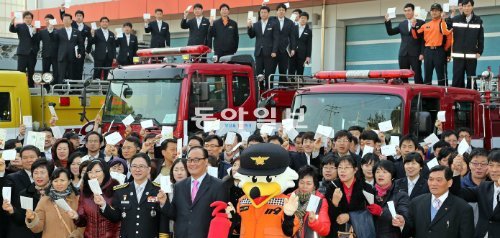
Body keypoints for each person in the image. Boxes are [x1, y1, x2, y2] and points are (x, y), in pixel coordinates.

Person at [97, 153, 169, 237]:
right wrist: (103, 205)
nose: (137, 170)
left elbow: (164, 220)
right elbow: (116, 216)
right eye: (134, 166)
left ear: (149, 169)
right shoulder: (121, 190)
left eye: (141, 166)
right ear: (130, 169)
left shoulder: (159, 190)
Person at [394, 165, 474, 238]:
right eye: (431, 179)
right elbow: (410, 231)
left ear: (449, 183)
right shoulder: (417, 202)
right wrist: (403, 224)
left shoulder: (463, 208)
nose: (433, 183)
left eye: (439, 180)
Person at [165, 146, 227, 238]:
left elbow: (222, 218)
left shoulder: (218, 186)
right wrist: (164, 203)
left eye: (196, 160)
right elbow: (174, 214)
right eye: (189, 160)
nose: (192, 163)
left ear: (206, 161)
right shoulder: (179, 186)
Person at [324, 155, 378, 237]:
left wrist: (350, 216)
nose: (342, 171)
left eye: (346, 168)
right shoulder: (332, 187)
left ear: (355, 170)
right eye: (340, 168)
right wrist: (334, 203)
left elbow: (371, 213)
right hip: (337, 232)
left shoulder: (366, 188)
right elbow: (327, 215)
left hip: (360, 232)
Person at [451, 150, 500, 237]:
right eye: (491, 165)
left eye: (499, 166)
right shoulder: (484, 187)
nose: (494, 170)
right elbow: (458, 193)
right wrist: (456, 172)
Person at [2, 159, 52, 238]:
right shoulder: (25, 193)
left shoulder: (57, 192)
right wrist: (12, 210)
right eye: (35, 173)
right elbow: (21, 220)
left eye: (42, 172)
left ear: (50, 174)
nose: (39, 176)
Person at [25, 168, 82, 237]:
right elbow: (37, 229)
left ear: (69, 181)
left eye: (62, 180)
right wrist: (32, 218)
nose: (59, 184)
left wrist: (76, 234)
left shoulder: (77, 199)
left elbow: (83, 223)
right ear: (51, 182)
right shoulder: (44, 200)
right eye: (55, 181)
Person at [72, 160, 120, 237]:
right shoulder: (85, 192)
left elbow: (119, 218)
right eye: (90, 172)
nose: (93, 175)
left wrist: (104, 205)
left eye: (97, 171)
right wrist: (76, 217)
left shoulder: (116, 189)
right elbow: (83, 222)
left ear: (105, 172)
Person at [411, 3, 452, 85]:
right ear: (430, 12)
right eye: (432, 11)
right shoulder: (426, 25)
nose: (434, 12)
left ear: (440, 12)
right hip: (428, 52)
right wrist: (413, 26)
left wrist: (446, 52)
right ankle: (427, 97)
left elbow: (449, 38)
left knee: (442, 76)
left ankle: (443, 96)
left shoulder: (444, 23)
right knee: (427, 76)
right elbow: (416, 36)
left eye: (436, 10)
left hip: (440, 51)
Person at [384, 3, 424, 84]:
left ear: (413, 11)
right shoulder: (402, 24)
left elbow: (423, 39)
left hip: (416, 54)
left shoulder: (421, 22)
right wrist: (388, 21)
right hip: (403, 54)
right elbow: (390, 32)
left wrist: (422, 53)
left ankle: (420, 94)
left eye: (409, 10)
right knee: (403, 76)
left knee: (418, 76)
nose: (407, 13)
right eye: (405, 11)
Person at [450, 0, 484, 88]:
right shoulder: (455, 19)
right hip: (458, 56)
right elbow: (446, 30)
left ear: (472, 7)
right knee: (457, 79)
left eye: (468, 6)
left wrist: (480, 51)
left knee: (471, 79)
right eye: (464, 6)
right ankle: (457, 100)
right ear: (462, 7)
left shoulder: (478, 20)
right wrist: (450, 16)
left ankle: (471, 100)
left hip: (471, 55)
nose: (466, 8)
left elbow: (481, 38)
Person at [372, 160, 409, 238]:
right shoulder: (369, 192)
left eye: (385, 172)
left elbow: (404, 217)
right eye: (377, 172)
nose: (380, 175)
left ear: (392, 175)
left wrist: (382, 212)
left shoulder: (401, 195)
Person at [292, 165, 331, 238]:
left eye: (308, 183)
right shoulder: (290, 198)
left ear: (314, 185)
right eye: (301, 182)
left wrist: (314, 222)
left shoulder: (320, 201)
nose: (304, 186)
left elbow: (326, 230)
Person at [247, 5, 279, 88]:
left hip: (270, 53)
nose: (263, 14)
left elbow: (276, 38)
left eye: (265, 12)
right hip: (259, 53)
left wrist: (274, 51)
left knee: (269, 74)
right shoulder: (256, 24)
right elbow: (251, 36)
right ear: (259, 14)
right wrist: (249, 27)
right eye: (262, 12)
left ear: (268, 13)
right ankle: (260, 91)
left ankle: (269, 91)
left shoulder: (273, 24)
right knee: (259, 74)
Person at [59, 5, 91, 80]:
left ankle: (78, 86)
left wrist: (87, 51)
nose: (78, 17)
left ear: (83, 17)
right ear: (75, 17)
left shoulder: (87, 28)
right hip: (70, 51)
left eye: (80, 15)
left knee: (79, 69)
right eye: (77, 15)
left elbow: (90, 40)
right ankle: (69, 86)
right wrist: (62, 10)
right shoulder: (71, 24)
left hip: (81, 51)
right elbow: (64, 18)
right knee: (69, 70)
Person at [9, 11, 39, 87]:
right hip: (22, 53)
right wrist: (12, 21)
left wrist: (35, 33)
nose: (28, 19)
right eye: (26, 18)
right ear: (23, 19)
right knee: (21, 71)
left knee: (31, 71)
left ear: (32, 19)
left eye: (30, 18)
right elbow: (12, 29)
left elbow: (36, 41)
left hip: (32, 54)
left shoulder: (34, 28)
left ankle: (31, 87)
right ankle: (19, 86)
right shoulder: (20, 26)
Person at [53, 13, 84, 84]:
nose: (66, 21)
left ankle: (72, 91)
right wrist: (51, 30)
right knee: (61, 75)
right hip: (62, 57)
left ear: (71, 21)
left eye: (68, 19)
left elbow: (81, 44)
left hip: (73, 57)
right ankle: (61, 90)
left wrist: (80, 53)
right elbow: (54, 41)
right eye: (64, 19)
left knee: (72, 74)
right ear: (62, 21)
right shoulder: (58, 31)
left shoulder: (77, 32)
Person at [271, 3, 295, 83]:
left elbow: (292, 37)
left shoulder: (290, 22)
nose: (281, 11)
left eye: (283, 10)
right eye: (279, 10)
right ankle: (269, 88)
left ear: (285, 12)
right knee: (271, 71)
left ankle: (282, 88)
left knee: (283, 71)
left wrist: (293, 49)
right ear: (276, 11)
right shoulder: (271, 20)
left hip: (284, 50)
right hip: (272, 50)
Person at [222, 157, 244, 238]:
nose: (236, 168)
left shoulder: (250, 188)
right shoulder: (224, 184)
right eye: (234, 165)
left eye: (240, 166)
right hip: (227, 227)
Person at [289, 12, 312, 77]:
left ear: (307, 20)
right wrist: (291, 49)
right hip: (292, 53)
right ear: (299, 18)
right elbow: (290, 40)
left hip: (302, 54)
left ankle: (299, 85)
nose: (303, 19)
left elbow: (309, 44)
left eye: (305, 18)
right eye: (302, 18)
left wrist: (308, 56)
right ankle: (290, 84)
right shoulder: (293, 28)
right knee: (291, 70)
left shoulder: (309, 31)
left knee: (300, 70)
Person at [38, 14, 58, 88]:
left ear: (52, 21)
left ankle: (55, 87)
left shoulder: (57, 31)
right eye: (46, 20)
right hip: (45, 55)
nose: (47, 21)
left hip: (55, 55)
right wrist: (34, 32)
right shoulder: (42, 32)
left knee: (56, 72)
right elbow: (36, 40)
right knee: (45, 72)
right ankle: (46, 87)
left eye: (49, 20)